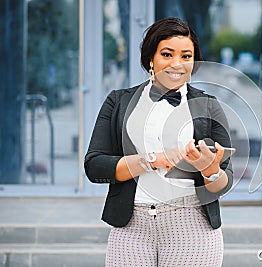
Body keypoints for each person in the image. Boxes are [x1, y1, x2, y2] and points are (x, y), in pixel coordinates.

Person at [84, 17, 233, 266]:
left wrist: (210, 171)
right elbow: (95, 166)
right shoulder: (118, 102)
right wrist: (154, 159)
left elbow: (223, 184)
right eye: (167, 54)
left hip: (192, 227)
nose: (177, 64)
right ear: (150, 58)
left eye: (186, 56)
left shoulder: (208, 106)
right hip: (131, 228)